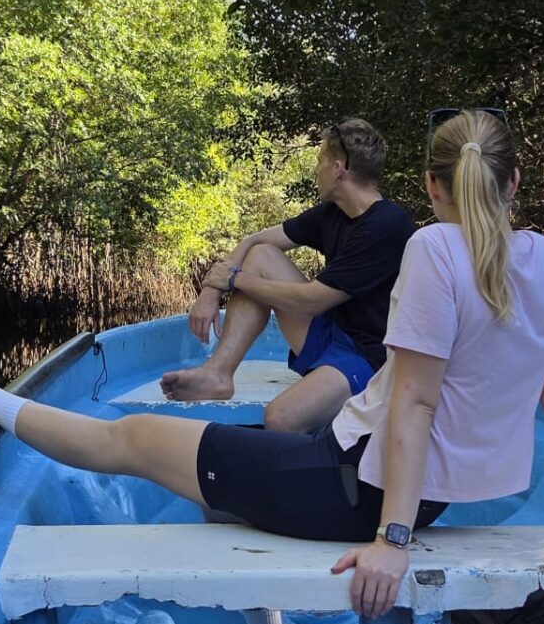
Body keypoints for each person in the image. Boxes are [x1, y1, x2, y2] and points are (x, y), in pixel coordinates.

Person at [0, 109, 544, 624]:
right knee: (219, 484)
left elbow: (415, 400)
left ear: (430, 187)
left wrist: (392, 539)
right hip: (389, 484)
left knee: (132, 438)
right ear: (513, 181)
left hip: (355, 489)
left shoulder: (431, 248)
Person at [161, 118, 414, 433]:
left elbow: (314, 301)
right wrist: (211, 292)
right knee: (261, 255)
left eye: (320, 160)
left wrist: (233, 280)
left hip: (369, 359)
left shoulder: (386, 225)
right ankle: (218, 373)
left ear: (338, 168)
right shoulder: (334, 213)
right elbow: (255, 240)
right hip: (332, 334)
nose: (316, 169)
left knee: (281, 418)